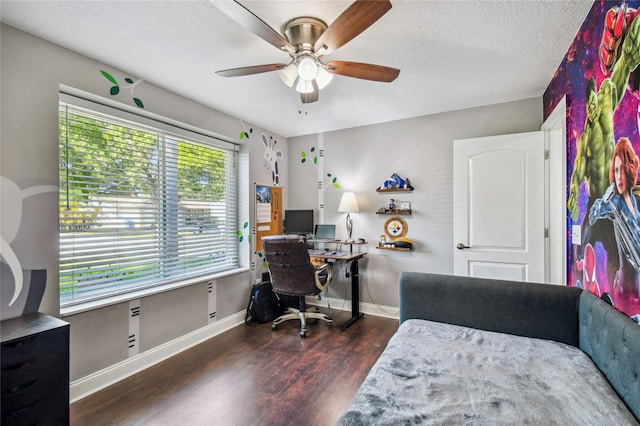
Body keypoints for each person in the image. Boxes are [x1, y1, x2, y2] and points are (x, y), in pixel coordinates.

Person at [568, 14, 640, 282]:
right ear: (586, 108)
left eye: (595, 104)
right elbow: (576, 173)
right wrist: (574, 193)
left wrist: (630, 52)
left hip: (612, 195)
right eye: (589, 108)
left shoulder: (607, 99)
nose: (593, 109)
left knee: (617, 259)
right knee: (581, 249)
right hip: (595, 204)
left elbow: (622, 71)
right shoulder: (585, 138)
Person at [589, 137, 640, 298]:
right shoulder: (614, 203)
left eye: (622, 170)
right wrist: (605, 196)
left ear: (630, 169)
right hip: (626, 284)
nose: (619, 177)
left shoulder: (634, 201)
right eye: (616, 170)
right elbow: (593, 215)